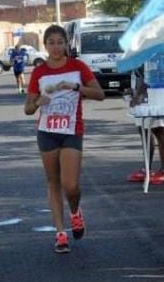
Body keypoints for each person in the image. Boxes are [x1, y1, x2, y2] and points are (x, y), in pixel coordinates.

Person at [24, 25, 105, 253]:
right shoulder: (39, 72)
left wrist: (76, 87)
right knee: (53, 183)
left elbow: (100, 94)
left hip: (72, 130)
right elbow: (28, 109)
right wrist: (38, 101)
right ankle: (60, 233)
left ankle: (75, 211)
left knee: (71, 185)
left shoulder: (77, 66)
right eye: (51, 42)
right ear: (45, 45)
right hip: (47, 132)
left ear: (66, 43)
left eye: (60, 42)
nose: (56, 47)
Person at [126, 54, 164, 185]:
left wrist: (139, 94)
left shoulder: (154, 47)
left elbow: (152, 72)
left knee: (159, 130)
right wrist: (133, 91)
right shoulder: (137, 48)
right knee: (143, 130)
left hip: (156, 93)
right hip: (140, 94)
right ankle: (147, 169)